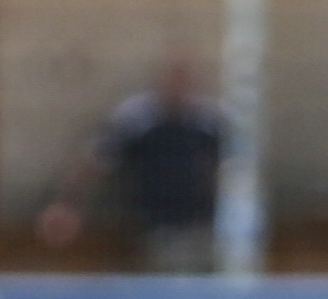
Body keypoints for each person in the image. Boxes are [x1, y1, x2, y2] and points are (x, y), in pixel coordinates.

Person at [38, 58, 225, 274]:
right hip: (157, 226)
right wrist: (67, 204)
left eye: (185, 81)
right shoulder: (137, 117)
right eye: (174, 80)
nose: (179, 88)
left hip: (203, 226)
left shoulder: (209, 120)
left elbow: (237, 167)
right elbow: (95, 160)